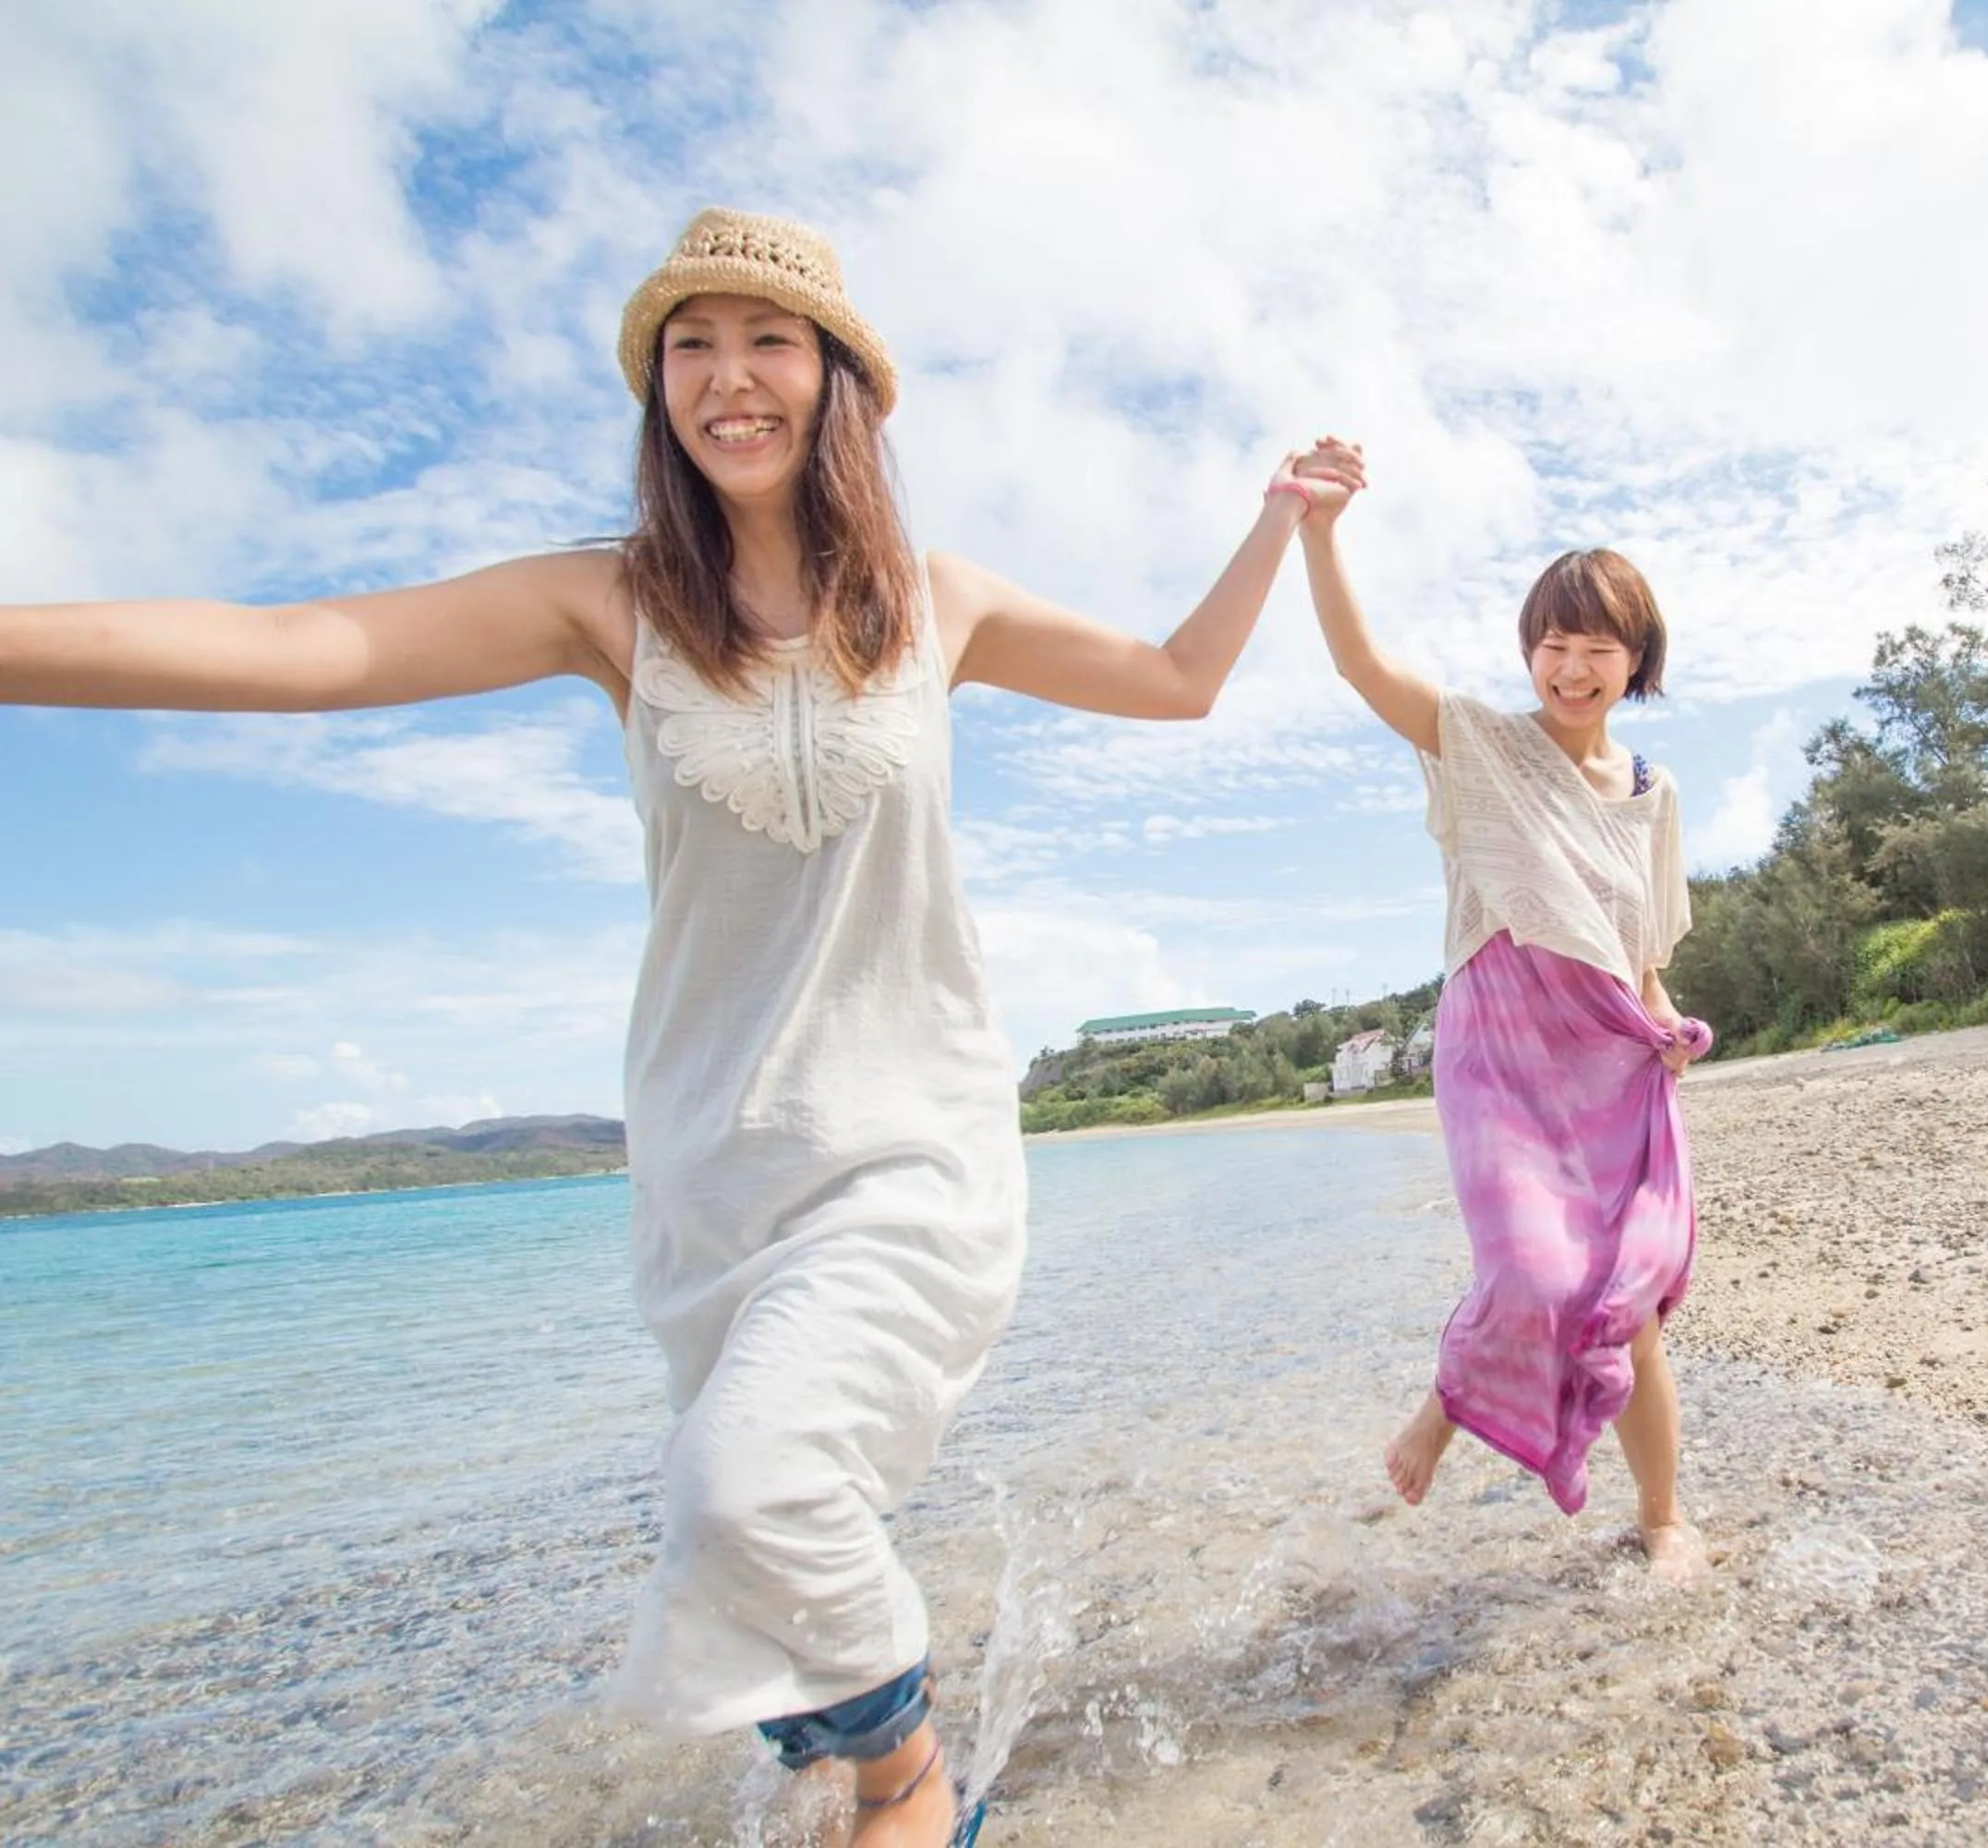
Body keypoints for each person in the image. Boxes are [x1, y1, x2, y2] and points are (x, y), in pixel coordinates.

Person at [0, 206, 1363, 1846]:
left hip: (912, 1153)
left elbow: (1175, 677)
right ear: (660, 392)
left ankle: (917, 1783)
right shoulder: (613, 604)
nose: (728, 379)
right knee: (759, 1541)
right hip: (714, 1176)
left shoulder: (942, 602)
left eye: (766, 341)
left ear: (838, 378)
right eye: (690, 350)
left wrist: (1281, 523)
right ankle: (857, 1753)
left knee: (746, 1487)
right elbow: (301, 647)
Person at [1295, 450, 1712, 1583]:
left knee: (1624, 1303)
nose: (1571, 667)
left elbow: (1644, 951)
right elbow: (1357, 660)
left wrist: (1669, 1028)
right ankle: (1453, 1398)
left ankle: (1666, 1517)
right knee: (1533, 1270)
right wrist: (1319, 532)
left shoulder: (1652, 793)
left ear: (1638, 660)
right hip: (1498, 1045)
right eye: (1553, 643)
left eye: (1598, 647)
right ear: (1530, 648)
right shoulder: (1479, 743)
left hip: (1610, 1057)